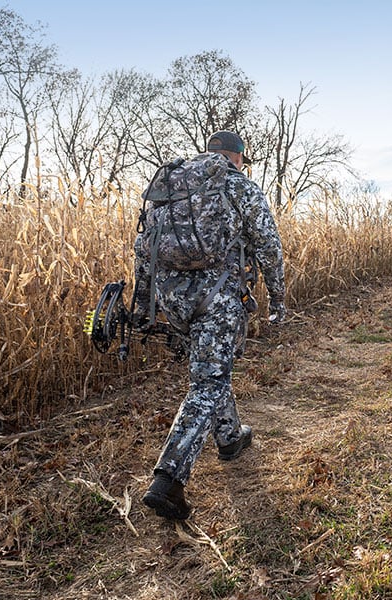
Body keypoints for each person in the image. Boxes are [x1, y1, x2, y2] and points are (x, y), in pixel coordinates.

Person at [134, 130, 286, 520]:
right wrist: (279, 298)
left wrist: (143, 302)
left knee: (211, 369)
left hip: (172, 296)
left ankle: (231, 438)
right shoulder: (238, 185)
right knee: (207, 383)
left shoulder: (171, 184)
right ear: (238, 158)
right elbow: (268, 245)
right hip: (217, 297)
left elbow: (143, 246)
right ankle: (168, 479)